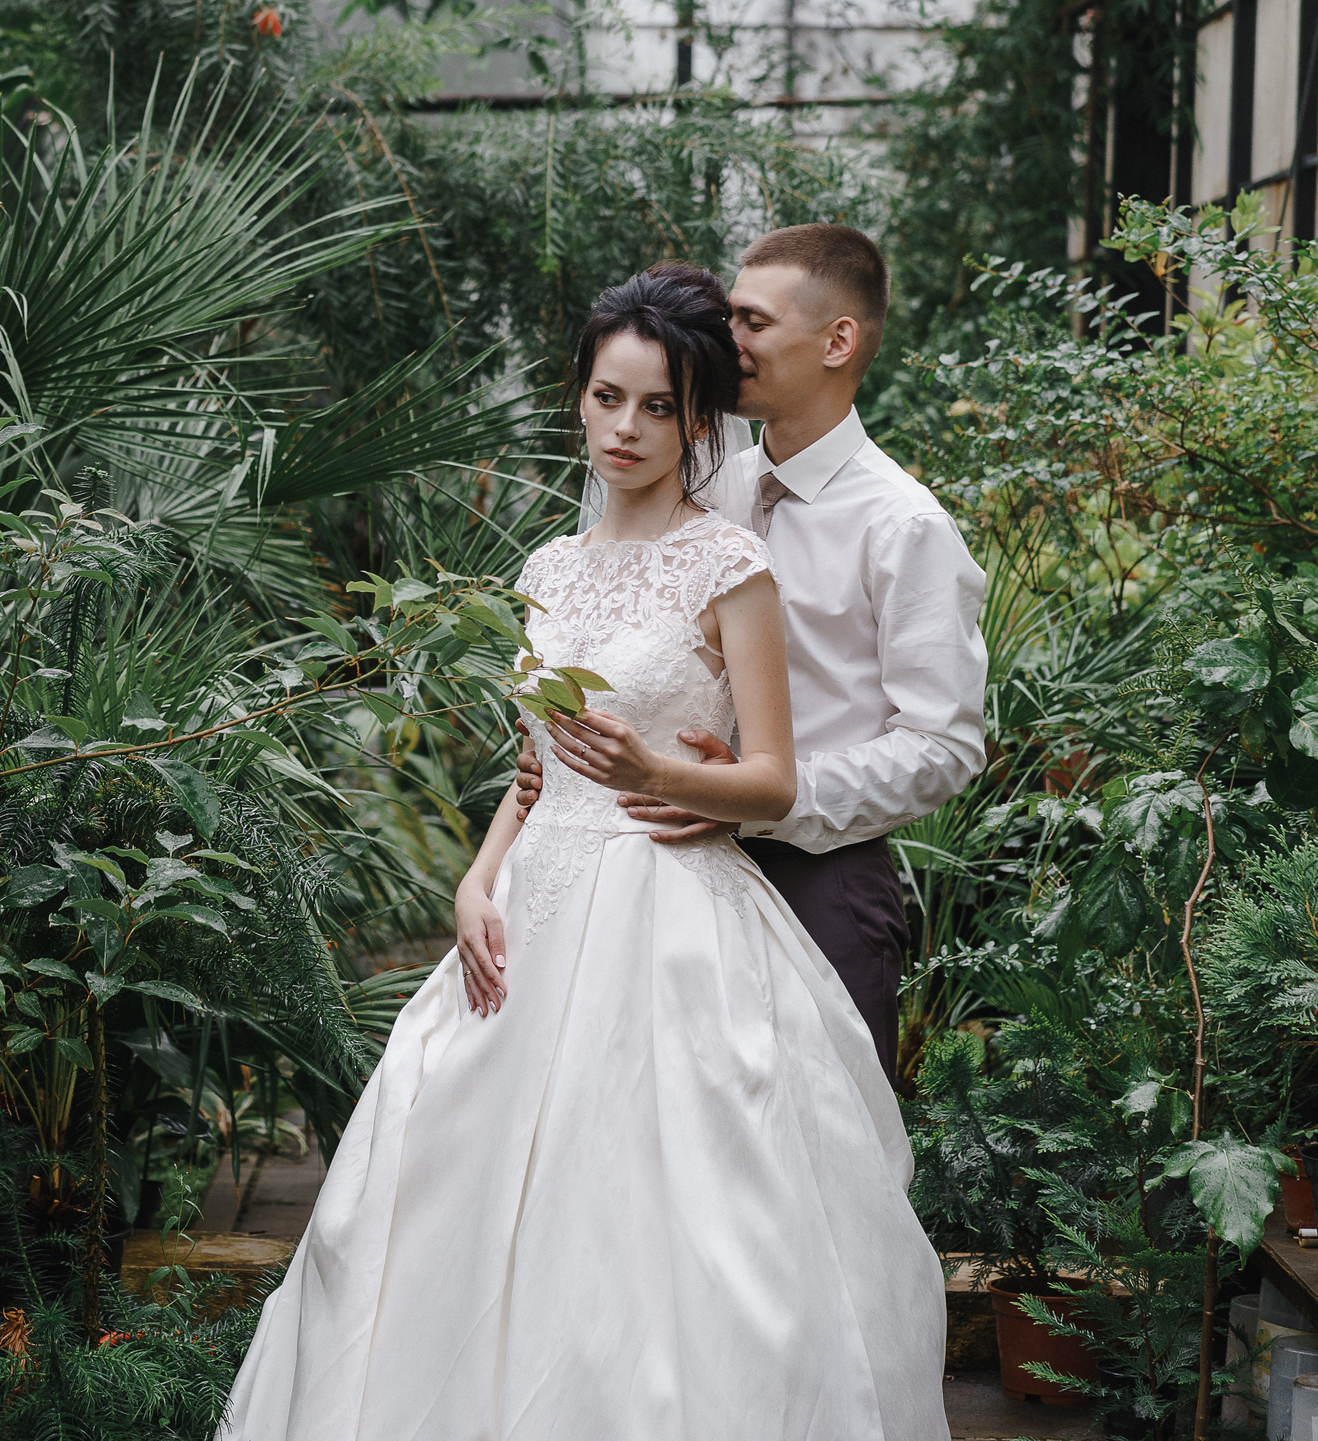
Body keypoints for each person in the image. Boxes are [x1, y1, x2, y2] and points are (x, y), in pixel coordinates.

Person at [215, 263, 948, 1441]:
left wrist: (662, 776)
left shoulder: (729, 566)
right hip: (528, 908)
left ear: (697, 420)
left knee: (656, 1220)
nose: (626, 427)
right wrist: (472, 877)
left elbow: (768, 775)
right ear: (578, 395)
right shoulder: (543, 570)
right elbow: (531, 770)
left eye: (658, 407)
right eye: (608, 397)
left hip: (669, 908)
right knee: (437, 1193)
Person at [515, 224, 989, 1080]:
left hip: (821, 876)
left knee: (813, 1163)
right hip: (650, 874)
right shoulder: (700, 485)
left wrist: (760, 800)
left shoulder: (904, 525)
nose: (725, 341)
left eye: (752, 321)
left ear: (838, 340)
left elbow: (946, 745)